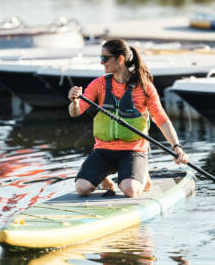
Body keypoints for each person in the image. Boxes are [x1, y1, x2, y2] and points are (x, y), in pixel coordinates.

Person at [68, 39, 188, 198]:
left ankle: (143, 177)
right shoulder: (99, 84)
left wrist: (176, 148)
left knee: (130, 190)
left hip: (133, 151)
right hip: (103, 150)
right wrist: (75, 102)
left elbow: (161, 119)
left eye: (105, 58)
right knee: (82, 188)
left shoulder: (144, 87)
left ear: (120, 60)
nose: (101, 62)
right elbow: (75, 112)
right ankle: (104, 176)